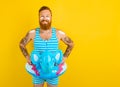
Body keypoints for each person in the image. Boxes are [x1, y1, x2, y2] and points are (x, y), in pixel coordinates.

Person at [19, 6, 74, 87]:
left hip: (53, 71)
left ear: (51, 17)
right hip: (37, 70)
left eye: (47, 16)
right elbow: (21, 44)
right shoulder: (32, 33)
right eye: (42, 16)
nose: (44, 18)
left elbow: (71, 44)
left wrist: (64, 57)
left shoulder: (59, 33)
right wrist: (27, 57)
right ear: (39, 18)